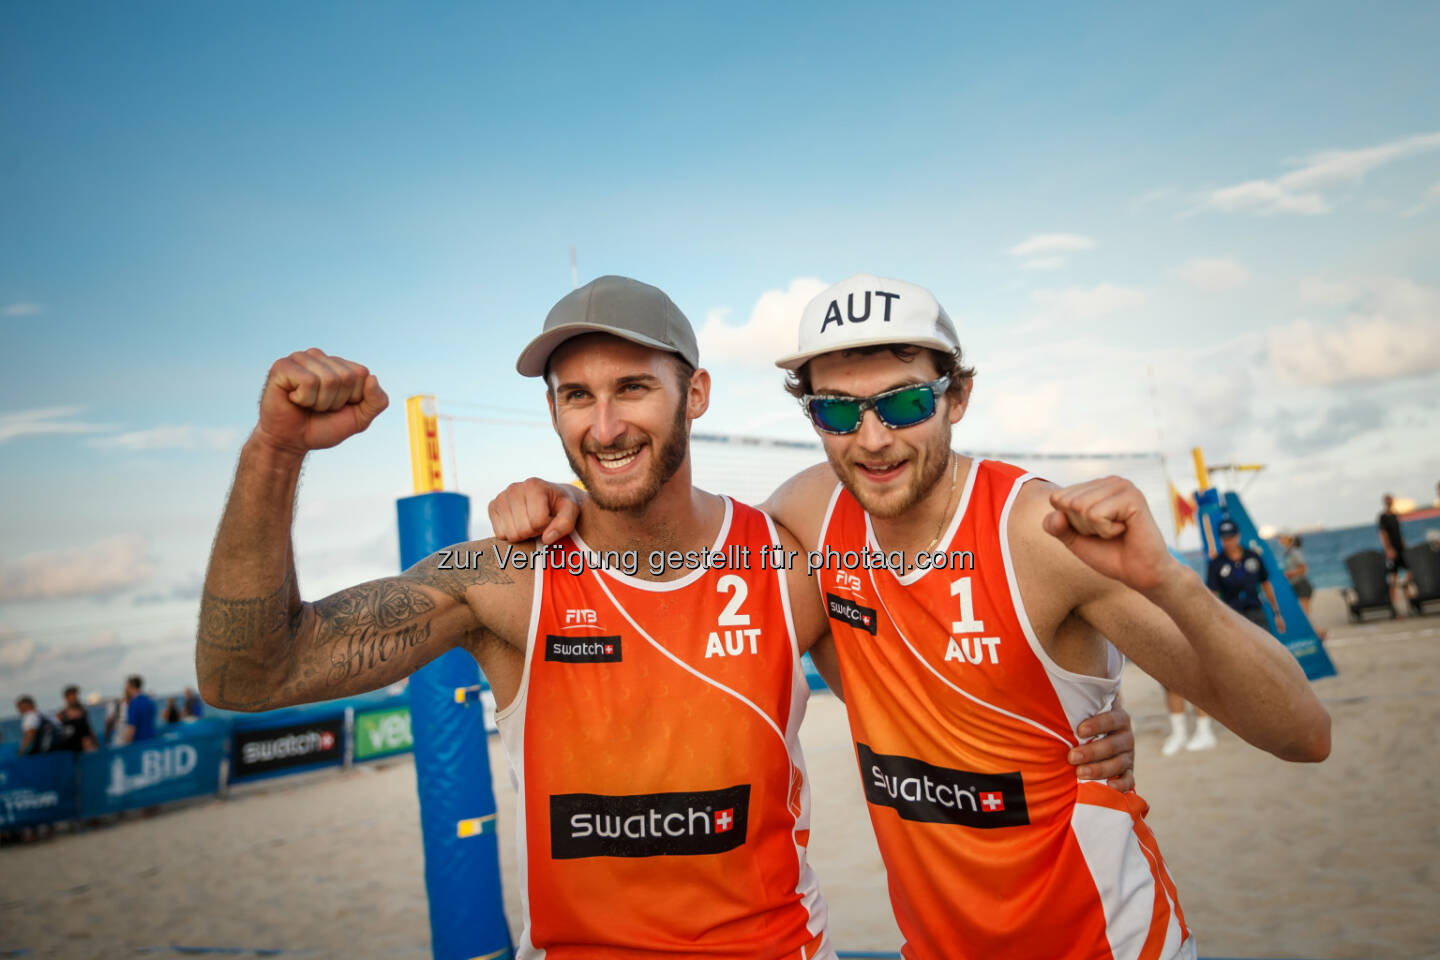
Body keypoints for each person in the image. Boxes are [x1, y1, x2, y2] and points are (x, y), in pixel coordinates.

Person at [195, 276, 1133, 960]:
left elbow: (943, 681)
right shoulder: (505, 580)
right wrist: (275, 452)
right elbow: (248, 675)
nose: (604, 425)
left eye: (632, 387)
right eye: (577, 397)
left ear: (695, 392)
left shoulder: (788, 563)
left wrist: (1080, 730)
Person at [494, 273, 1332, 960]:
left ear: (957, 397)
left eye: (901, 405)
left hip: (1102, 941)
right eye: (834, 412)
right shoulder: (813, 519)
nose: (872, 440)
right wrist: (571, 496)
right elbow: (678, 545)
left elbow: (1303, 733)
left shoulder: (1038, 536)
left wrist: (1173, 585)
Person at [1206, 519, 1285, 636]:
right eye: (1224, 539)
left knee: (1265, 647)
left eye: (1231, 538)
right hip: (1232, 615)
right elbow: (1213, 593)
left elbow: (1265, 584)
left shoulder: (1252, 556)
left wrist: (1277, 613)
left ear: (1238, 536)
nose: (1228, 542)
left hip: (1256, 612)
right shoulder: (1216, 563)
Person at [1378, 494, 1413, 616]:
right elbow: (1382, 533)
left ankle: (1406, 594)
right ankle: (1393, 600)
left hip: (1400, 548)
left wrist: (1403, 544)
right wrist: (1388, 549)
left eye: (1390, 500)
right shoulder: (1382, 517)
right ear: (1384, 502)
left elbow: (1398, 532)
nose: (1389, 502)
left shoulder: (1394, 515)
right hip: (1391, 549)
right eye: (1387, 500)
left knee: (1410, 569)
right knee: (1393, 575)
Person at [56, 685, 99, 752]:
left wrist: (96, 742)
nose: (74, 699)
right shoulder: (61, 715)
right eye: (72, 697)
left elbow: (89, 728)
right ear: (66, 698)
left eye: (75, 696)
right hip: (70, 745)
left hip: (85, 744)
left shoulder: (83, 712)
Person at [124, 675, 157, 743]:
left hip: (139, 744)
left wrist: (125, 747)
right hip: (152, 740)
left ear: (131, 686)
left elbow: (131, 729)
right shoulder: (149, 701)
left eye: (127, 687)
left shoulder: (134, 704)